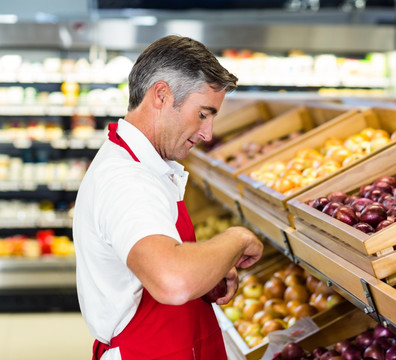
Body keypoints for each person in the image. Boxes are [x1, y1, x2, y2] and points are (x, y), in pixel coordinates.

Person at [73, 35, 264, 360]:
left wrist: (207, 267)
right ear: (161, 95)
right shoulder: (127, 179)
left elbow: (165, 265)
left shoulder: (144, 165)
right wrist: (237, 238)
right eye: (203, 114)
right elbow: (172, 280)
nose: (208, 133)